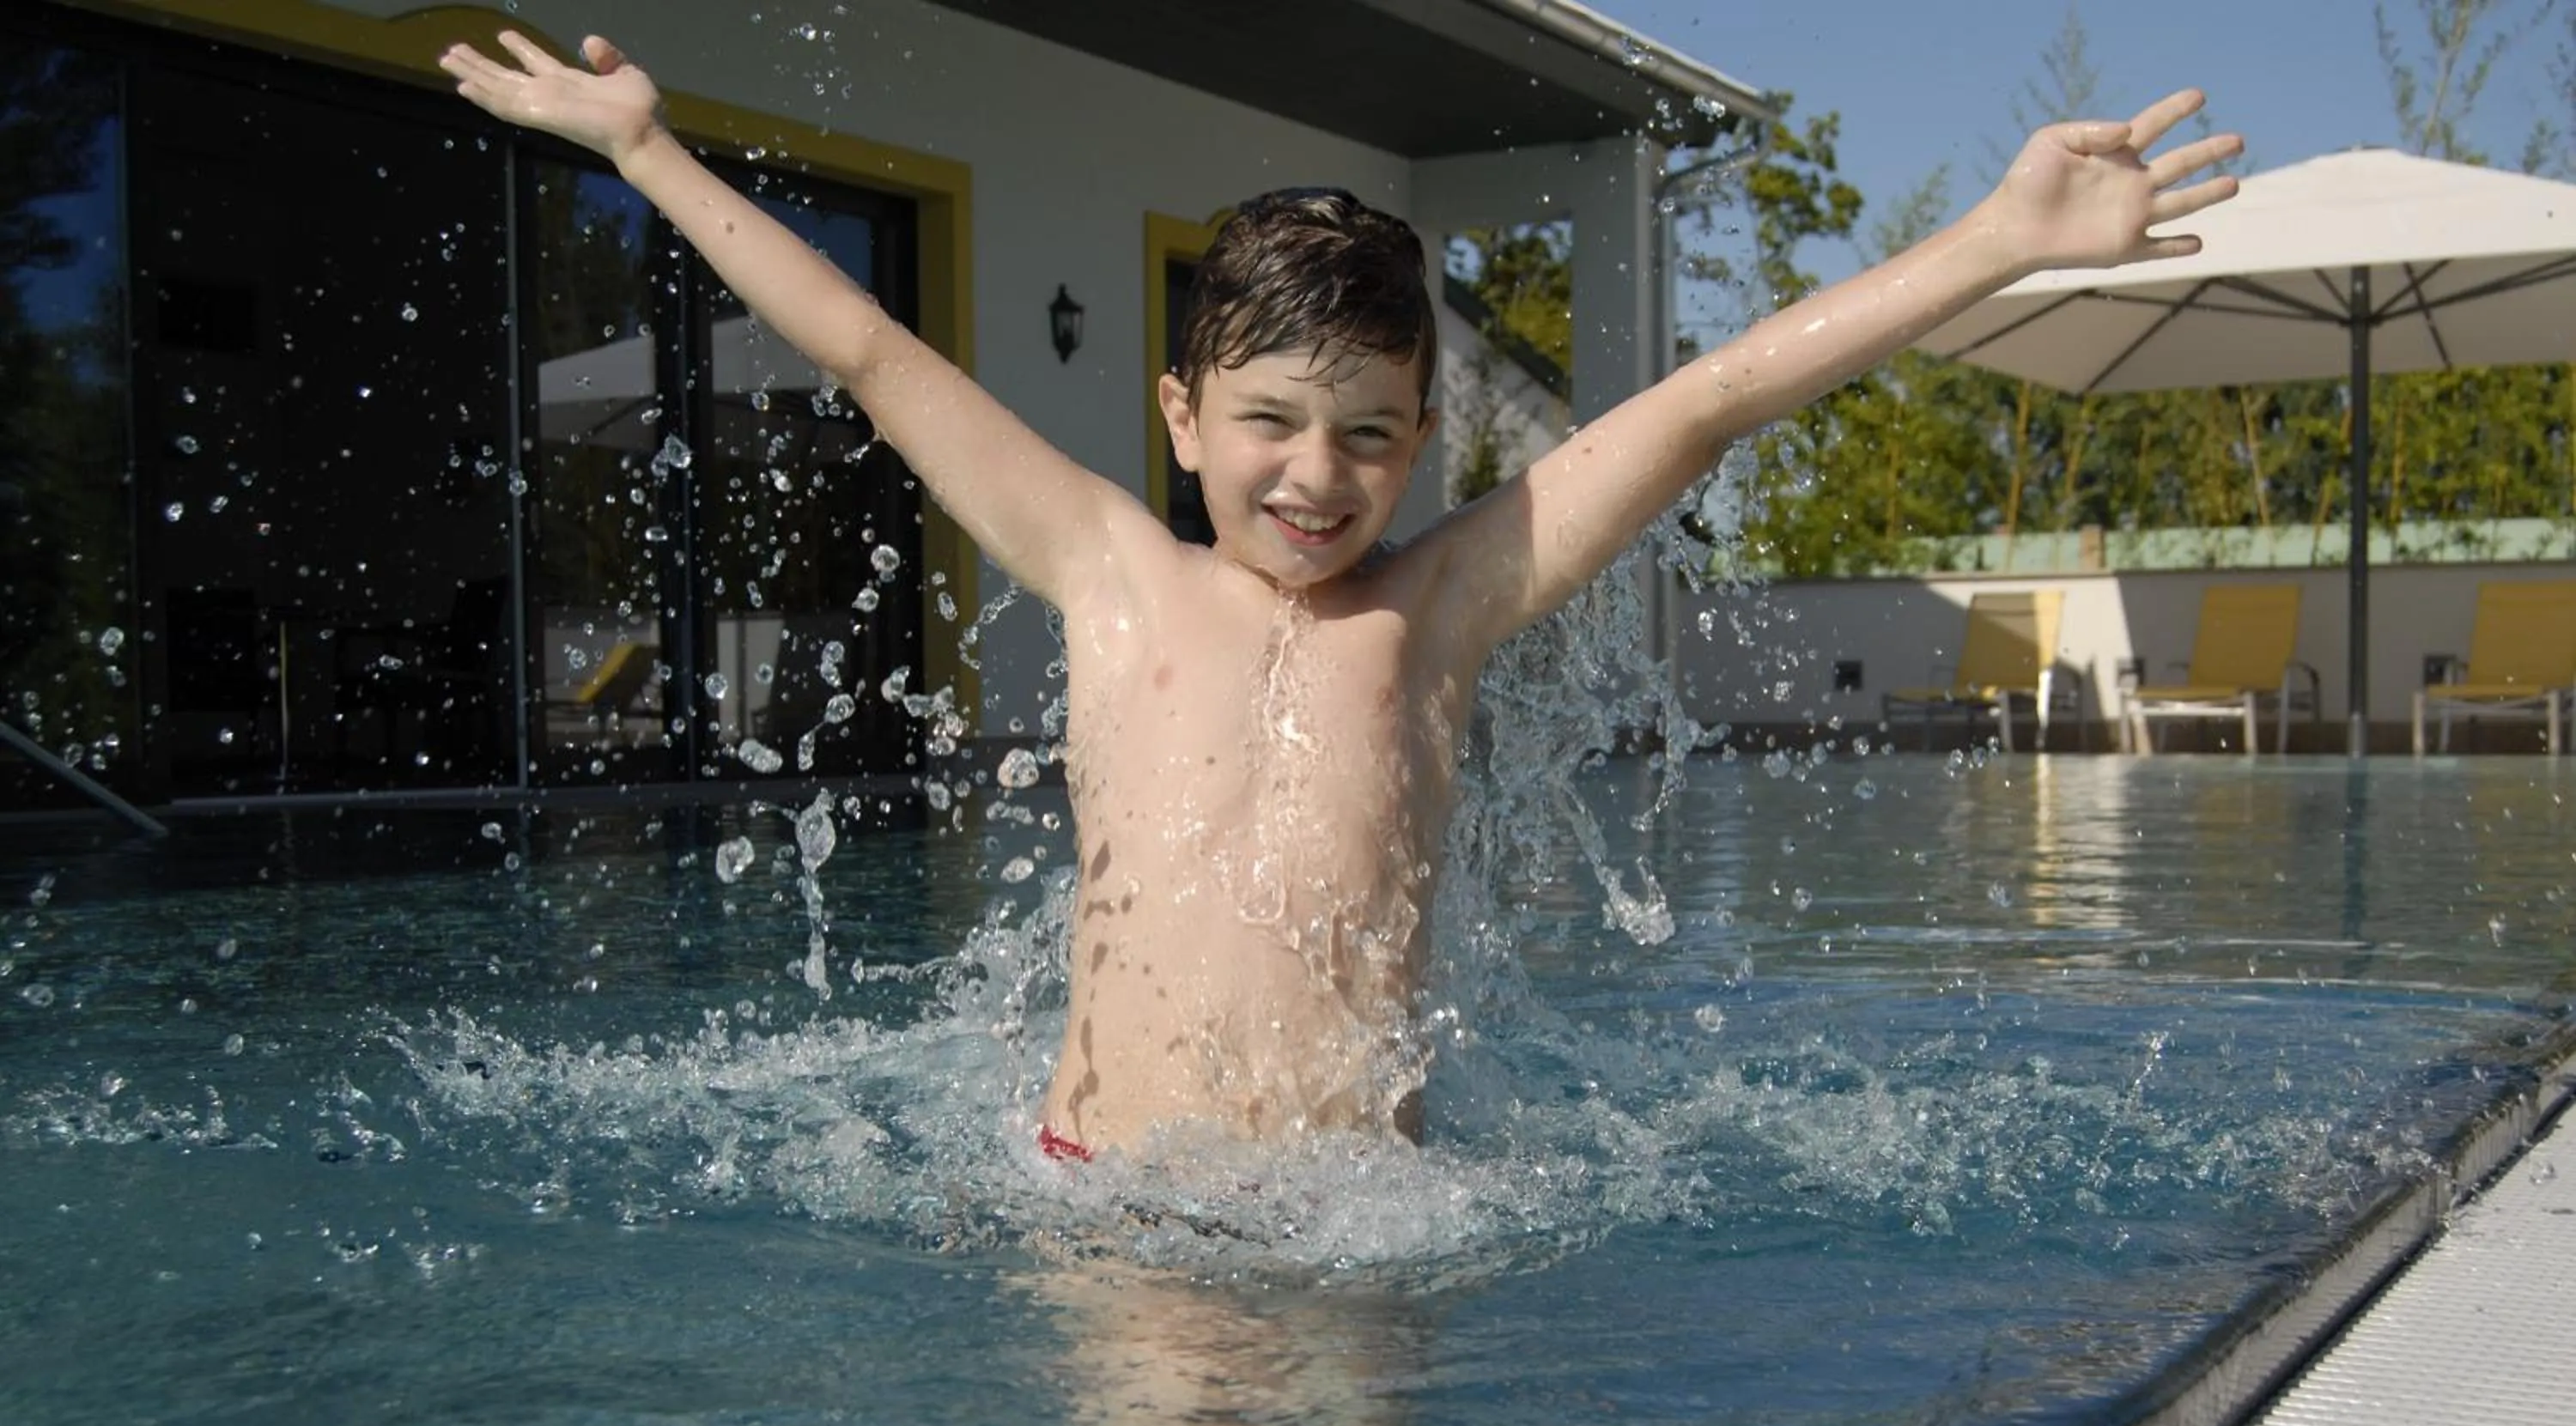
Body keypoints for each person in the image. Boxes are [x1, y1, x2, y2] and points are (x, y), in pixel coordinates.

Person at [442, 31, 2239, 1162]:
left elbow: (1703, 403)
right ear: (1183, 417)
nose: (1317, 475)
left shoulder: (1440, 604)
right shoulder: (1105, 563)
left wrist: (1992, 246)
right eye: (1272, 424)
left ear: (1425, 436)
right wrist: (646, 153)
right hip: (1107, 1198)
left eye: (1370, 434)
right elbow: (867, 344)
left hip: (1360, 1215)